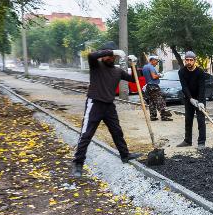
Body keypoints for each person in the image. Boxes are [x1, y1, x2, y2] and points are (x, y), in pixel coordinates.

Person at [72, 45, 141, 177]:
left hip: (109, 106)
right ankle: (78, 164)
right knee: (86, 134)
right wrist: (112, 51)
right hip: (95, 104)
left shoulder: (117, 71)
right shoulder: (96, 66)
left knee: (117, 131)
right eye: (108, 55)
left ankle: (125, 155)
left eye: (112, 56)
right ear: (103, 56)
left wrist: (134, 65)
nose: (110, 58)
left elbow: (134, 79)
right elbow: (91, 55)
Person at [177, 50, 208, 147]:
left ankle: (201, 142)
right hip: (189, 99)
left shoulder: (200, 72)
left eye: (191, 60)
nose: (189, 62)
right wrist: (190, 99)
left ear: (195, 60)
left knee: (201, 120)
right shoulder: (181, 72)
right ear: (185, 60)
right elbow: (184, 87)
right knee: (188, 120)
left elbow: (202, 87)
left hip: (200, 98)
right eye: (187, 60)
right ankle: (187, 141)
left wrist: (201, 102)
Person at [141, 55, 173, 121]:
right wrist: (160, 75)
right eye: (156, 61)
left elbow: (148, 76)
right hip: (154, 86)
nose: (157, 63)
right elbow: (154, 77)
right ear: (152, 60)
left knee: (152, 101)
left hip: (148, 86)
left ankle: (153, 116)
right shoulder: (151, 67)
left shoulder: (144, 67)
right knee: (160, 101)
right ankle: (164, 116)